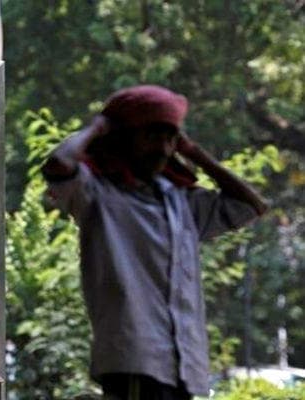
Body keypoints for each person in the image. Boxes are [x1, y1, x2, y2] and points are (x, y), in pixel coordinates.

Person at [42, 85, 268, 399]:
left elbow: (251, 206)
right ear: (123, 138)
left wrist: (193, 152)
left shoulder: (180, 201)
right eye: (151, 136)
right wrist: (97, 128)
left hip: (182, 365)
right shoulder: (98, 195)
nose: (162, 148)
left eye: (169, 138)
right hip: (135, 363)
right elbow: (58, 165)